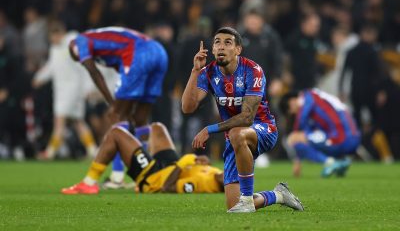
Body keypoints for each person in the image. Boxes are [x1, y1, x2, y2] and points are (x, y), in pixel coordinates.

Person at [181, 27, 303, 213]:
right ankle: (279, 195)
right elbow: (188, 107)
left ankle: (246, 199)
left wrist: (210, 129)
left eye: (227, 42)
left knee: (238, 132)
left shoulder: (252, 70)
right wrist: (195, 71)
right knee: (233, 206)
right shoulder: (208, 72)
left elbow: (247, 117)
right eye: (217, 42)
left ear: (238, 49)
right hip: (234, 137)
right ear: (212, 50)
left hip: (263, 129)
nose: (221, 46)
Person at [69, 26, 168, 185]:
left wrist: (112, 101)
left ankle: (117, 176)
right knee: (140, 118)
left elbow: (94, 72)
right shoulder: (103, 42)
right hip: (159, 52)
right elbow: (122, 68)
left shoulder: (80, 41)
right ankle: (145, 172)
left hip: (138, 53)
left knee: (114, 115)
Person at [61, 122, 224, 194]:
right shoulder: (217, 173)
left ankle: (89, 184)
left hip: (153, 177)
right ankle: (135, 144)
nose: (231, 177)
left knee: (116, 133)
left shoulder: (203, 185)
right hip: (170, 166)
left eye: (232, 181)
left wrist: (183, 163)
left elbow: (169, 187)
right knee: (157, 128)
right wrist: (201, 162)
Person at [33, 21, 97, 160]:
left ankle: (49, 153)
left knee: (59, 120)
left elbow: (85, 65)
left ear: (61, 33)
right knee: (78, 122)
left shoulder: (72, 44)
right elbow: (51, 67)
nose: (53, 40)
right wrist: (40, 77)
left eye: (55, 36)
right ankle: (92, 150)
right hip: (61, 90)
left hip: (73, 89)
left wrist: (88, 87)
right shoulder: (54, 49)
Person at [279, 88, 361, 177]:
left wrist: (295, 135)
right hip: (351, 136)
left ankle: (331, 163)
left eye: (290, 110)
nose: (292, 113)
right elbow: (310, 129)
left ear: (292, 101)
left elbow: (301, 122)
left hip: (344, 138)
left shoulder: (308, 97)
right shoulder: (318, 100)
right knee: (301, 140)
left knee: (294, 139)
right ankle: (340, 162)